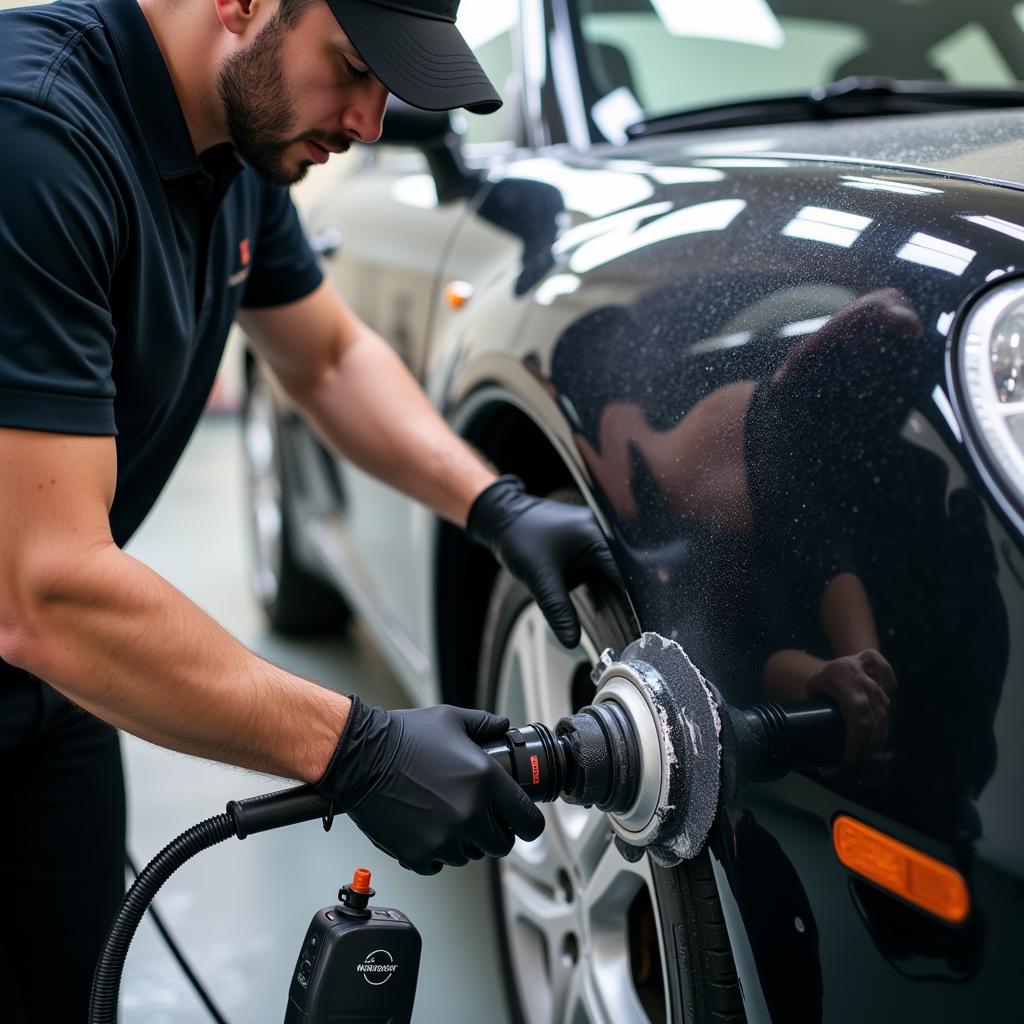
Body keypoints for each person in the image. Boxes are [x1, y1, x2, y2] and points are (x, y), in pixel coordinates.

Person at [0, 0, 618, 1019]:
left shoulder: (235, 151)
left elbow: (326, 357)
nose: (372, 122)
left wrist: (496, 504)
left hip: (49, 701)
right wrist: (355, 748)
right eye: (354, 67)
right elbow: (47, 589)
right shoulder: (35, 137)